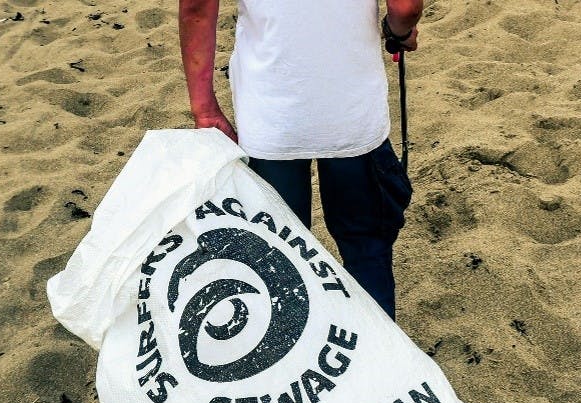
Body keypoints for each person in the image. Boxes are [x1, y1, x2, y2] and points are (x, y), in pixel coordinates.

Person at [178, 0, 422, 319]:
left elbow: (196, 9)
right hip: (351, 114)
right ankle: (379, 359)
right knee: (366, 252)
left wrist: (205, 108)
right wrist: (397, 31)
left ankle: (296, 361)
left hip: (271, 116)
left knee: (280, 261)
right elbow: (406, 7)